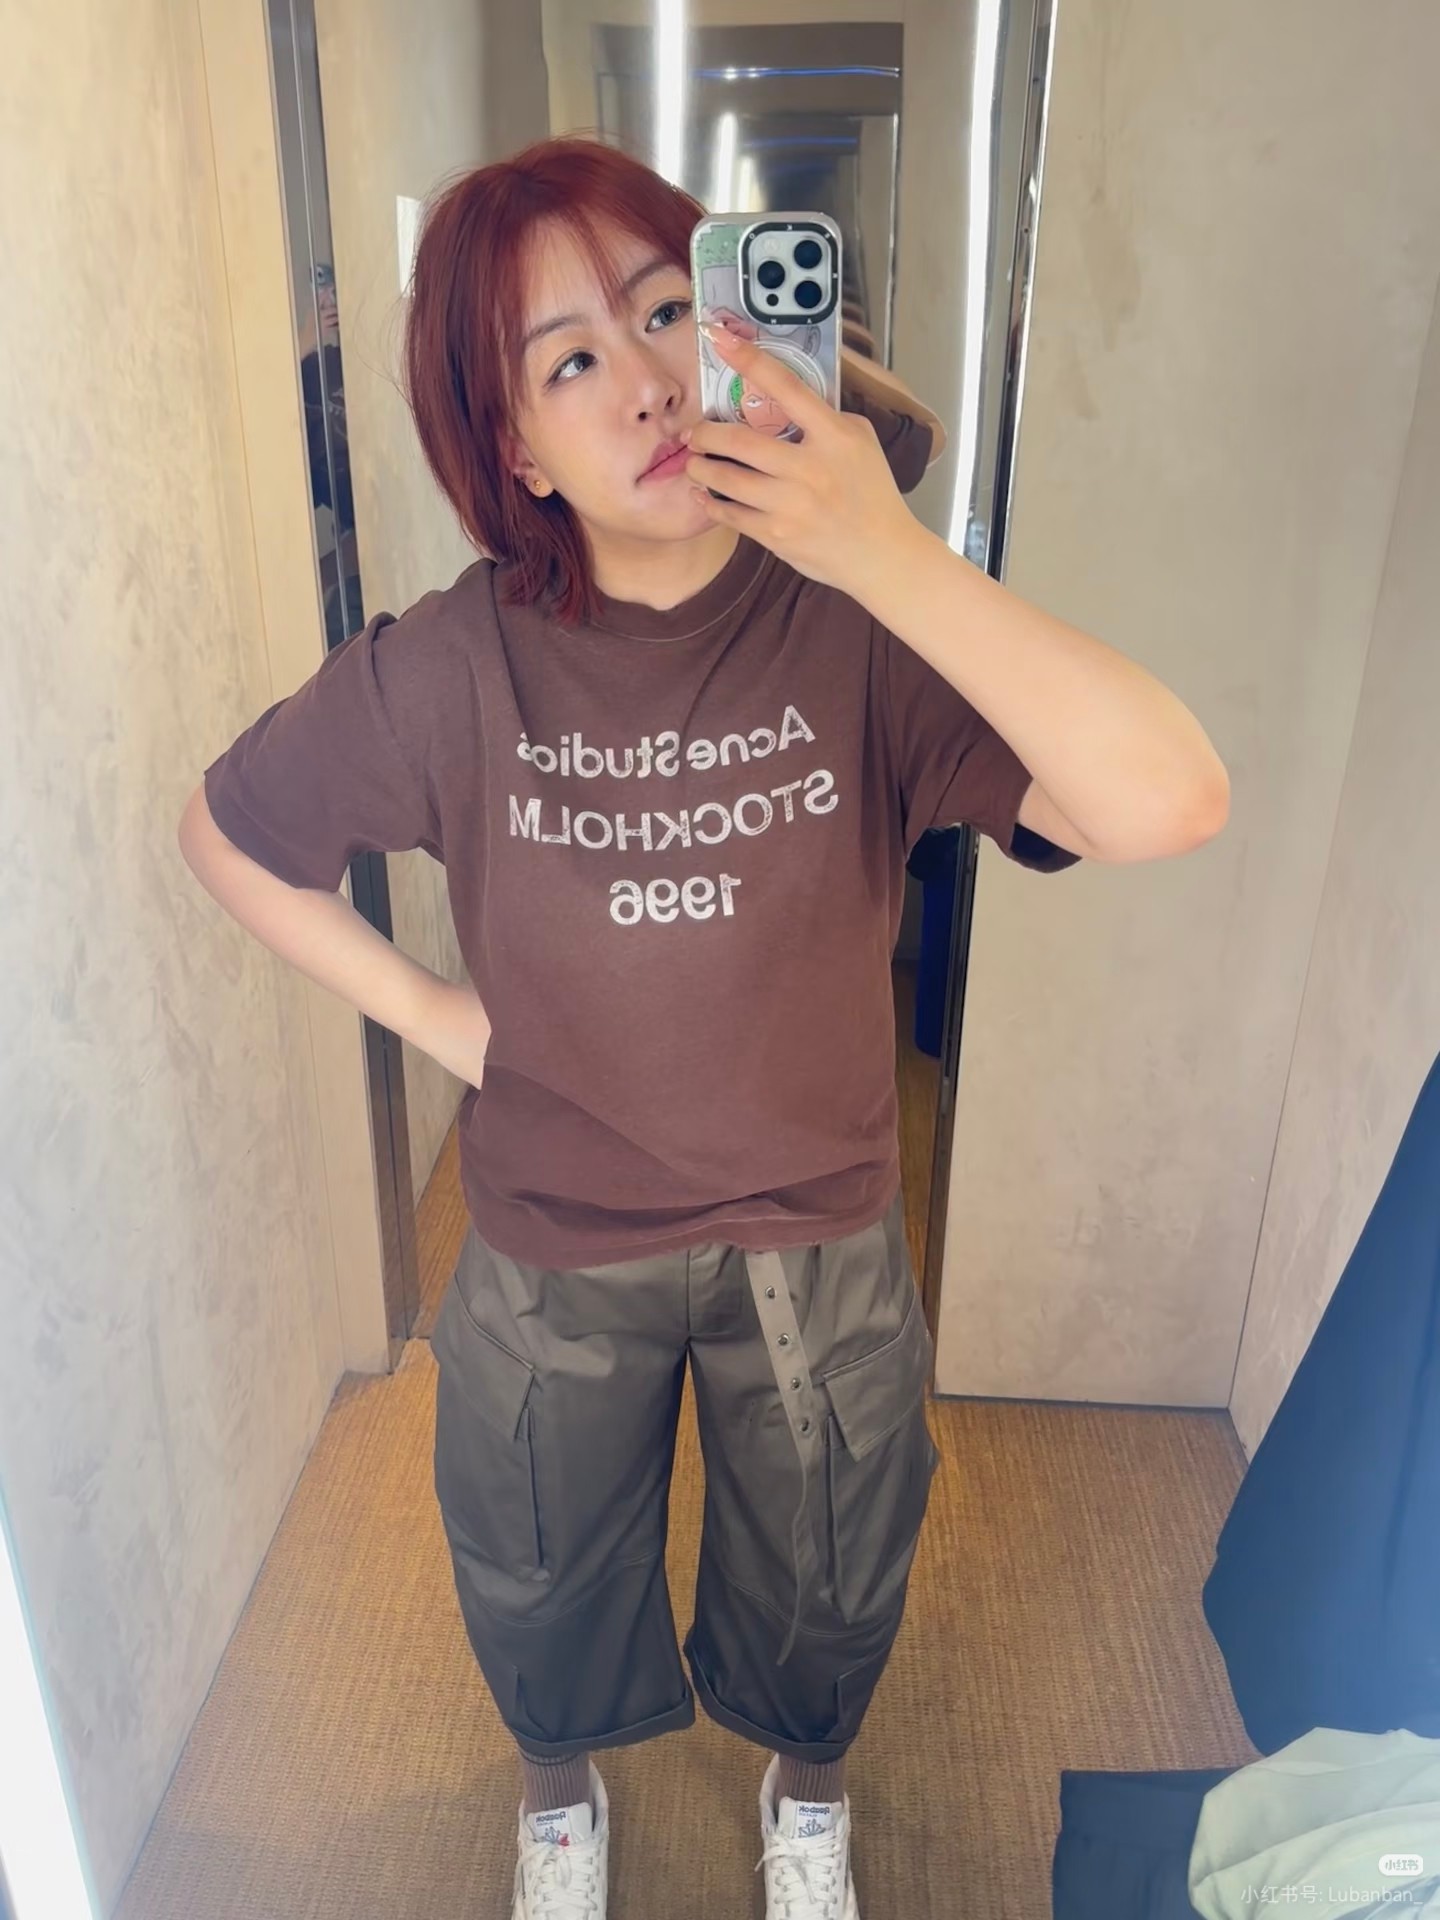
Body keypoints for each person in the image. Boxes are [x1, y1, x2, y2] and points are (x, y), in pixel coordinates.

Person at [179, 136, 1230, 1920]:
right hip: (552, 1239)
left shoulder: (863, 629)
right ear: (517, 450)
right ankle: (559, 1801)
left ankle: (806, 1796)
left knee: (834, 1564)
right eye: (571, 358)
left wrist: (884, 551)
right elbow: (229, 832)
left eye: (671, 309)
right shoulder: (452, 666)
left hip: (814, 1226)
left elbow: (1171, 798)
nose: (650, 380)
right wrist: (439, 1017)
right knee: (534, 1557)